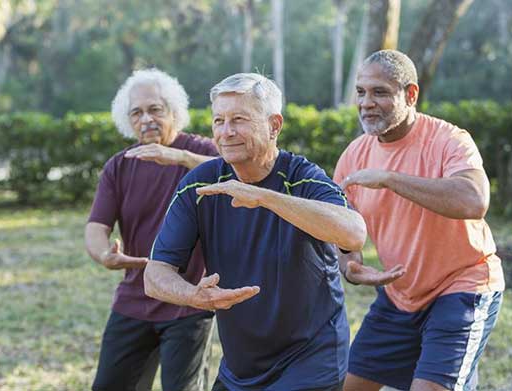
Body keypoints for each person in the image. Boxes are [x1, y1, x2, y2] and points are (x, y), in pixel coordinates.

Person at [143, 73, 373, 391]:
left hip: (311, 360)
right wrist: (193, 295)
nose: (226, 132)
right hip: (241, 367)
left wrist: (264, 197)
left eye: (239, 119)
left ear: (274, 125)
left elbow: (354, 233)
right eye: (219, 120)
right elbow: (154, 275)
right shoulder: (200, 183)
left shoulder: (303, 177)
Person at [332, 50, 505, 391]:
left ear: (410, 95)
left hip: (463, 286)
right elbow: (341, 228)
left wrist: (390, 178)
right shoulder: (353, 156)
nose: (366, 102)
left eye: (380, 92)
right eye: (361, 92)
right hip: (399, 296)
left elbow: (474, 200)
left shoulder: (449, 140)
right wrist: (350, 265)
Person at [85, 68, 218, 391]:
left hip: (189, 299)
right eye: (137, 113)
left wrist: (179, 157)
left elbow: (234, 171)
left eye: (155, 109)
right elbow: (96, 226)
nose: (146, 119)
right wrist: (105, 255)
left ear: (174, 111)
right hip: (135, 296)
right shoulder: (120, 165)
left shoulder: (202, 153)